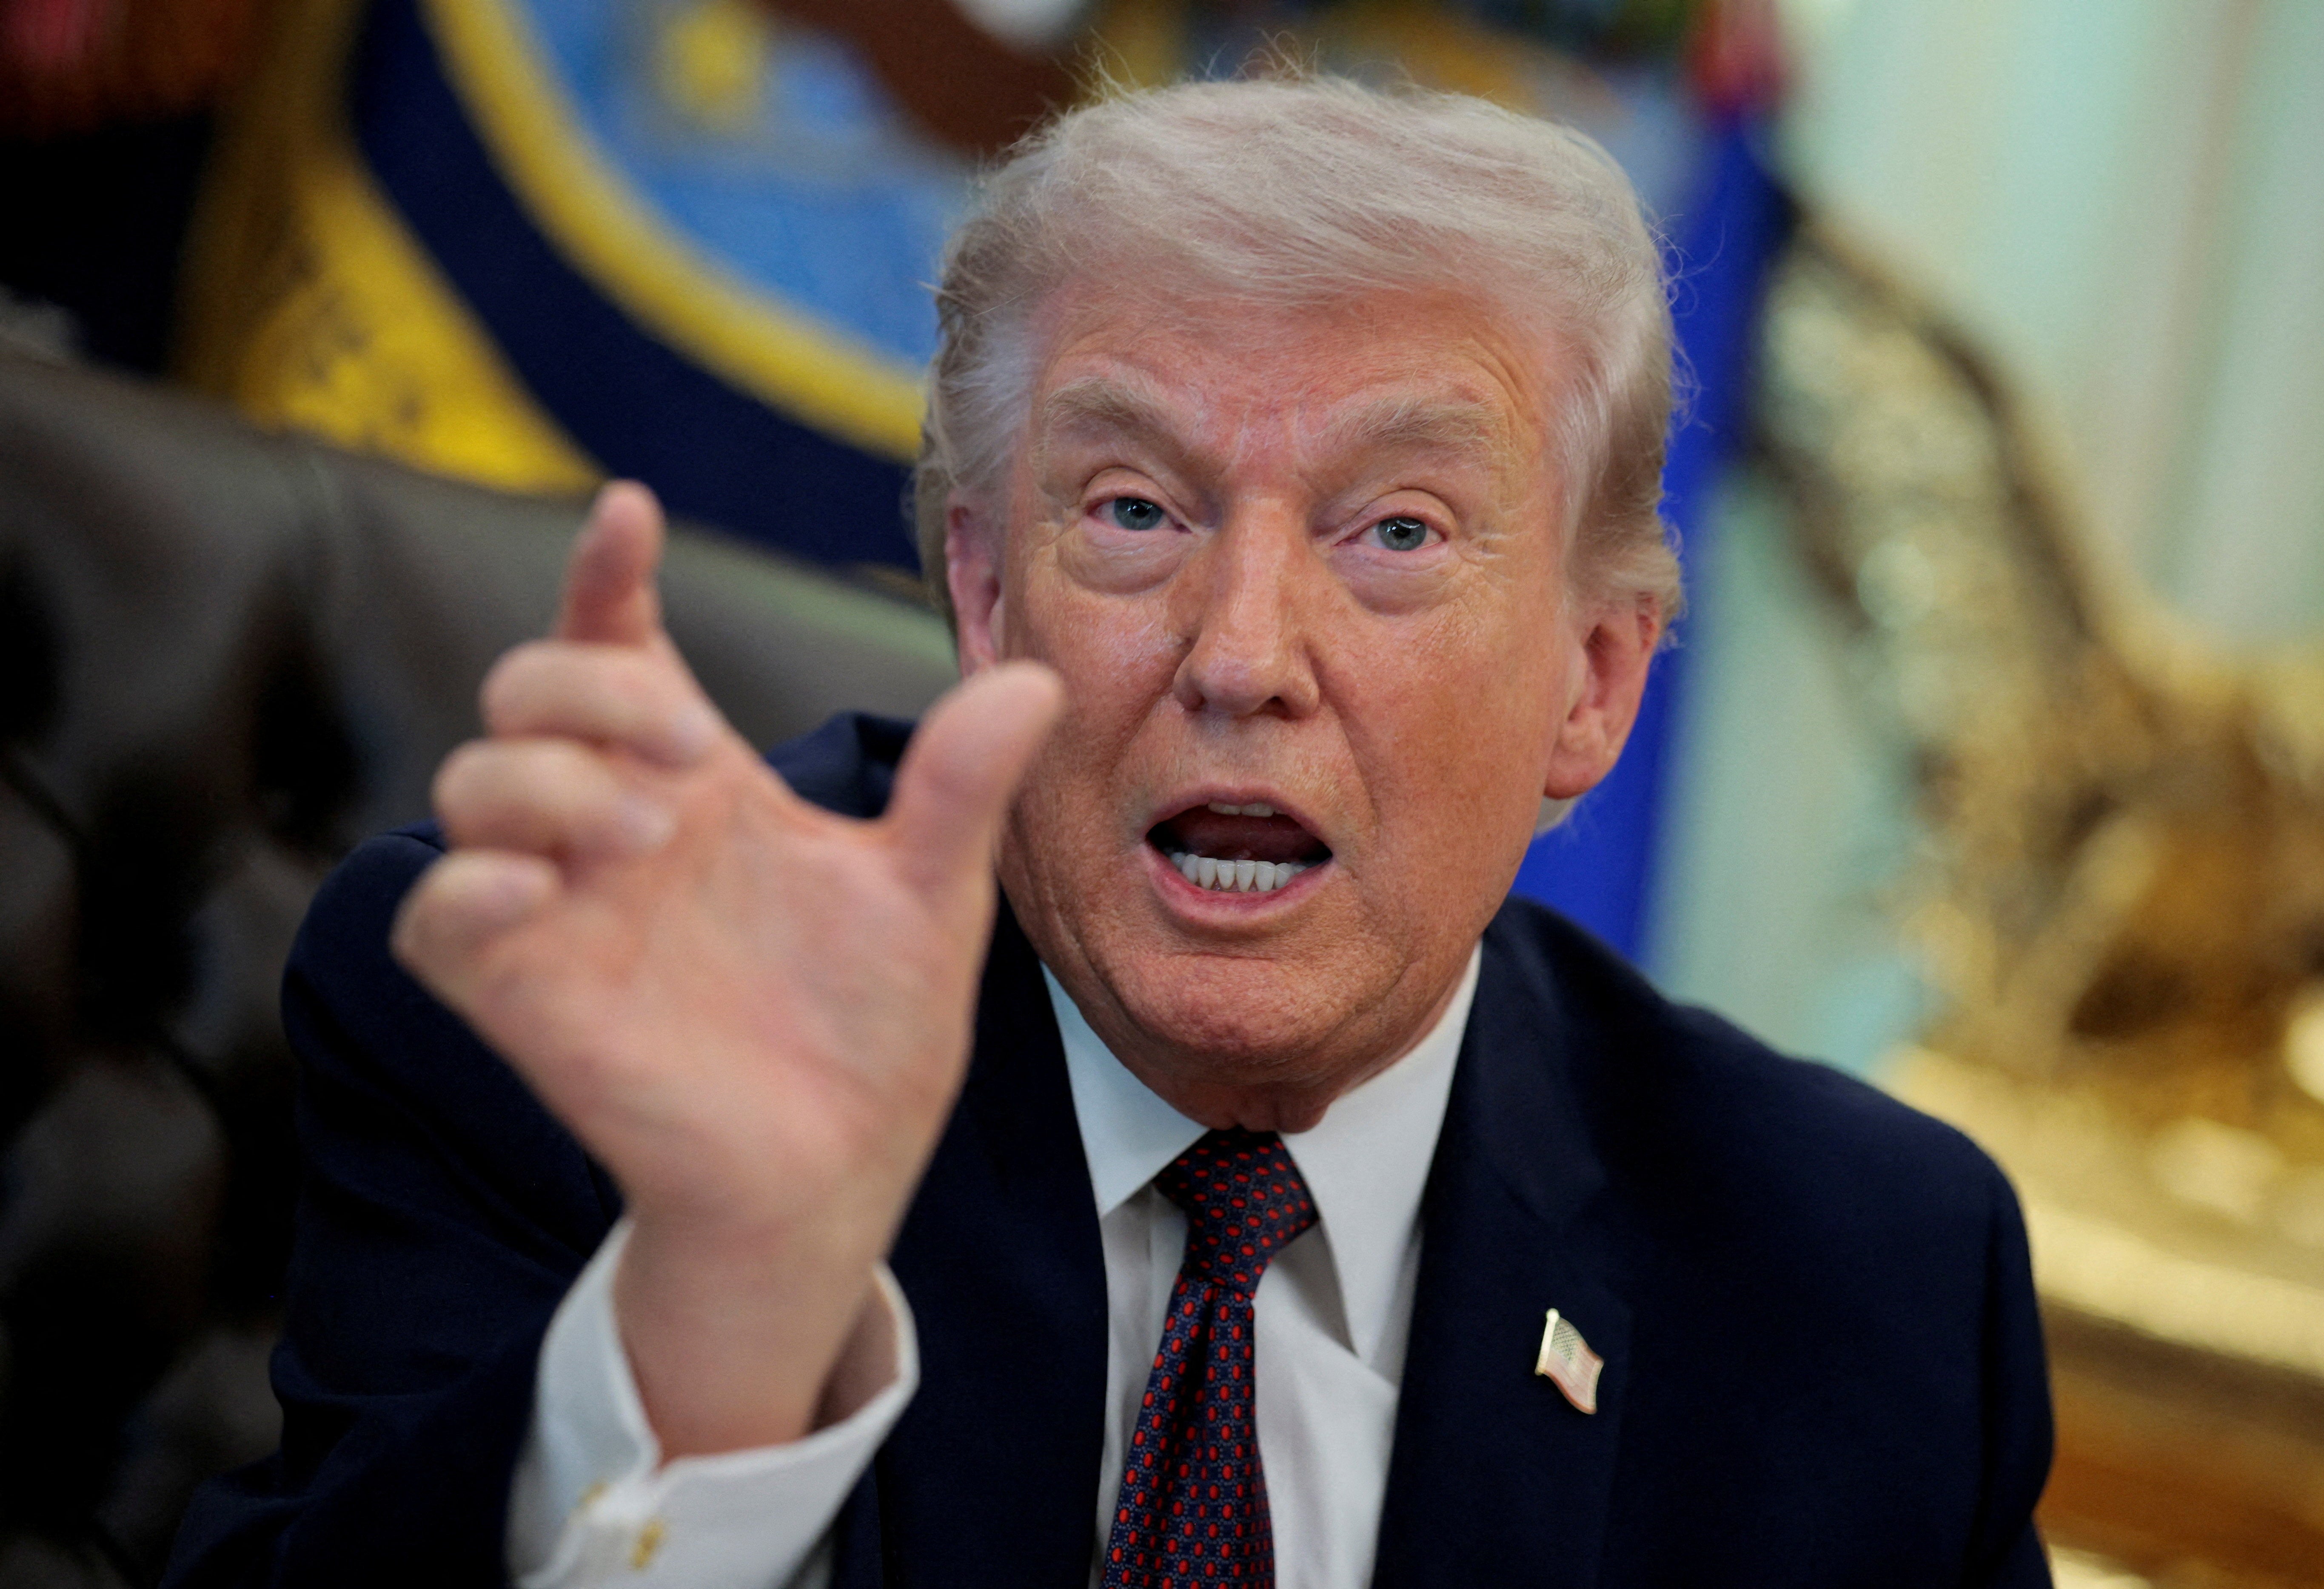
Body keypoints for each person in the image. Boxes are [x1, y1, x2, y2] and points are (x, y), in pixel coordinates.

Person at [166, 77, 2053, 1589]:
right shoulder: (596, 1041)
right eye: (1136, 509)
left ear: (1595, 680)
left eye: (1396, 532)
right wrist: (721, 1318)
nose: (1240, 657)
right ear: (986, 602)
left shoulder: (1863, 1287)